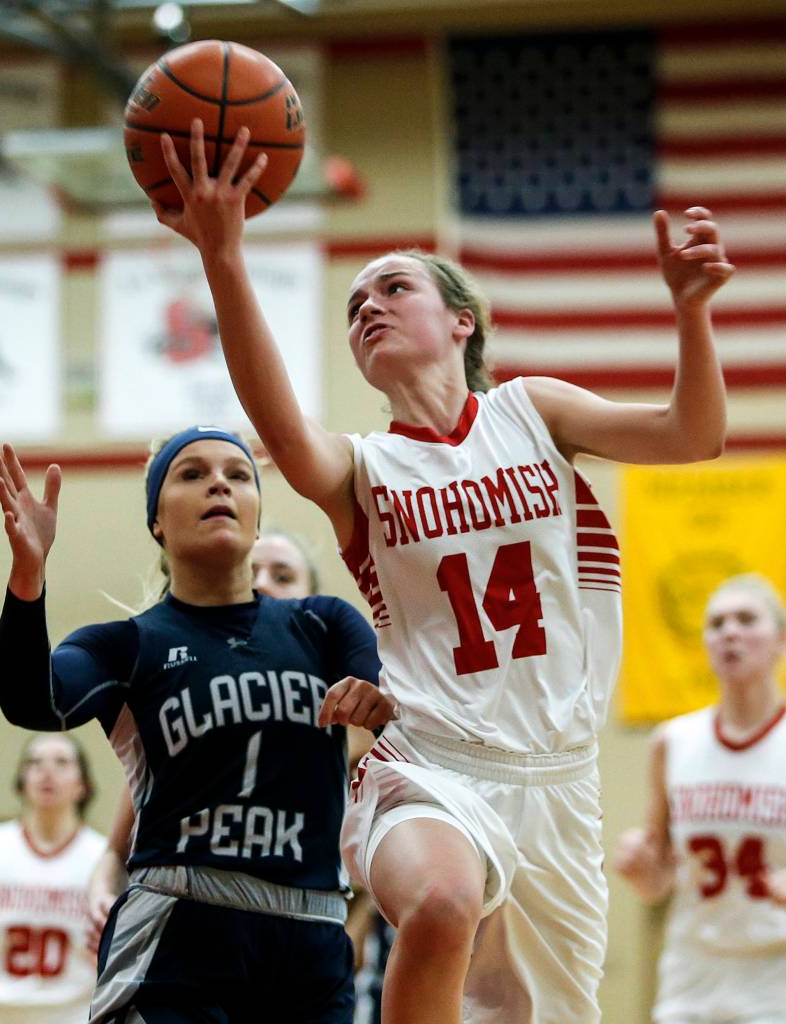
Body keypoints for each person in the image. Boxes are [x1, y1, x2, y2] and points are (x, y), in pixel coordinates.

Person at [151, 120, 733, 1023]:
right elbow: (281, 423)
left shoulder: (530, 411)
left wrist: (691, 314)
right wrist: (225, 257)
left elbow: (691, 435)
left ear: (461, 321)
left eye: (392, 288)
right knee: (439, 902)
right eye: (353, 306)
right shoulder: (364, 468)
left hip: (560, 778)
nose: (368, 308)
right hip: (430, 760)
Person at [0, 427, 396, 1023]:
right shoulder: (127, 644)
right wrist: (27, 579)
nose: (218, 485)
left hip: (309, 934)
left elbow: (394, 712)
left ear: (258, 520)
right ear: (158, 519)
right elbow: (31, 702)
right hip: (179, 927)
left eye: (237, 475)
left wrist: (379, 699)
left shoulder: (325, 624)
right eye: (192, 474)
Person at [85, 528, 377, 957]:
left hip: (309, 941)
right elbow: (116, 851)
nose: (262, 584)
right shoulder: (192, 717)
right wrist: (99, 894)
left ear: (311, 601)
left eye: (283, 576)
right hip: (196, 938)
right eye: (250, 572)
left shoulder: (359, 728)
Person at [613, 574, 786, 1024]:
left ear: (780, 641)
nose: (729, 631)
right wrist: (640, 868)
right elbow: (659, 884)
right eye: (716, 623)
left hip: (774, 974)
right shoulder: (673, 741)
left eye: (746, 619)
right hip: (691, 971)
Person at [0, 733, 105, 1024]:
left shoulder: (104, 859)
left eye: (61, 762)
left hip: (75, 1013)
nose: (47, 771)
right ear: (21, 781)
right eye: (34, 763)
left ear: (83, 785)